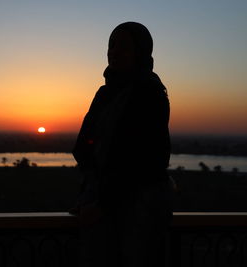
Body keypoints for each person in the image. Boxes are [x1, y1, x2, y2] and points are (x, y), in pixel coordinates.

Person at [70, 22, 175, 267]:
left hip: (138, 210)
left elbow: (143, 160)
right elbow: (83, 146)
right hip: (99, 199)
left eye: (124, 46)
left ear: (141, 51)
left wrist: (101, 204)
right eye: (111, 44)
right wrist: (92, 190)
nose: (114, 51)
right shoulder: (105, 94)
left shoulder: (149, 93)